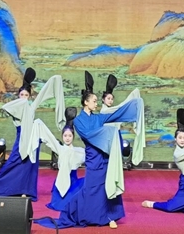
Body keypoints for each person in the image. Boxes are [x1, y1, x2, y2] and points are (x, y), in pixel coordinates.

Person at [36, 71, 146, 229]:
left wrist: (135, 105)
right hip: (93, 159)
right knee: (91, 189)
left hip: (105, 158)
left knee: (107, 186)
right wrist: (109, 132)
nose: (96, 103)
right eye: (94, 101)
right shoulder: (79, 121)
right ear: (86, 103)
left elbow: (117, 114)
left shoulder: (98, 117)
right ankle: (83, 214)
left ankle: (110, 216)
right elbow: (89, 135)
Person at [0, 67, 66, 200]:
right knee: (13, 164)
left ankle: (25, 192)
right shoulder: (16, 107)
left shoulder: (30, 107)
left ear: (29, 96)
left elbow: (42, 96)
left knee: (29, 167)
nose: (24, 97)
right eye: (22, 95)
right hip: (21, 140)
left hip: (33, 139)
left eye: (26, 95)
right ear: (18, 96)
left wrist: (55, 80)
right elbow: (6, 107)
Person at [36, 108, 86, 212]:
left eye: (70, 136)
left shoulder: (78, 151)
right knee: (59, 204)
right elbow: (49, 138)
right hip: (62, 180)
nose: (67, 138)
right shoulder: (60, 149)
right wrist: (39, 124)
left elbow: (89, 155)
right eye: (65, 135)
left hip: (73, 181)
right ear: (62, 136)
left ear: (73, 137)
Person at [99, 74, 145, 173]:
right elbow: (122, 106)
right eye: (108, 98)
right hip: (107, 137)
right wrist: (132, 97)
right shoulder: (104, 111)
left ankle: (115, 174)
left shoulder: (113, 110)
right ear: (103, 99)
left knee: (117, 156)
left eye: (112, 99)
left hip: (116, 135)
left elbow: (121, 108)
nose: (110, 101)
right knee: (107, 157)